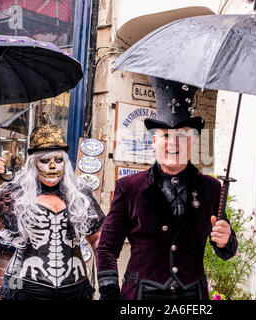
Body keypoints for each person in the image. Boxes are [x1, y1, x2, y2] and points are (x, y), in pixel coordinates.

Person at [96, 77, 238, 300]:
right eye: (165, 136)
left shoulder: (211, 188)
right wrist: (110, 292)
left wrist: (226, 240)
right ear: (154, 141)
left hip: (192, 297)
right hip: (141, 296)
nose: (173, 143)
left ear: (193, 142)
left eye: (181, 136)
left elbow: (226, 250)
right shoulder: (129, 188)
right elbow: (106, 248)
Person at [0, 124, 105, 300]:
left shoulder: (80, 195)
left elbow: (97, 238)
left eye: (58, 160)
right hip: (23, 287)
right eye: (45, 161)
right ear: (33, 164)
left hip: (74, 289)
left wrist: (106, 278)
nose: (52, 166)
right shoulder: (17, 194)